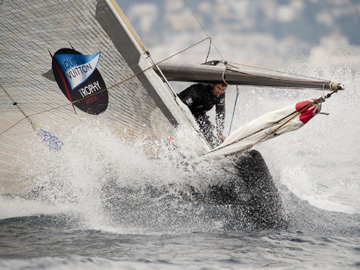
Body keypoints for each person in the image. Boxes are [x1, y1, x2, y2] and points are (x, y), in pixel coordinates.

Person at [178, 82, 227, 148]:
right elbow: (181, 105)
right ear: (212, 85)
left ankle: (216, 147)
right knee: (195, 128)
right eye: (218, 88)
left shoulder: (221, 95)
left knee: (208, 129)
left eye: (223, 90)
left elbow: (220, 113)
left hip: (199, 114)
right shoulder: (199, 90)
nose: (220, 91)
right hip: (185, 109)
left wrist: (220, 133)